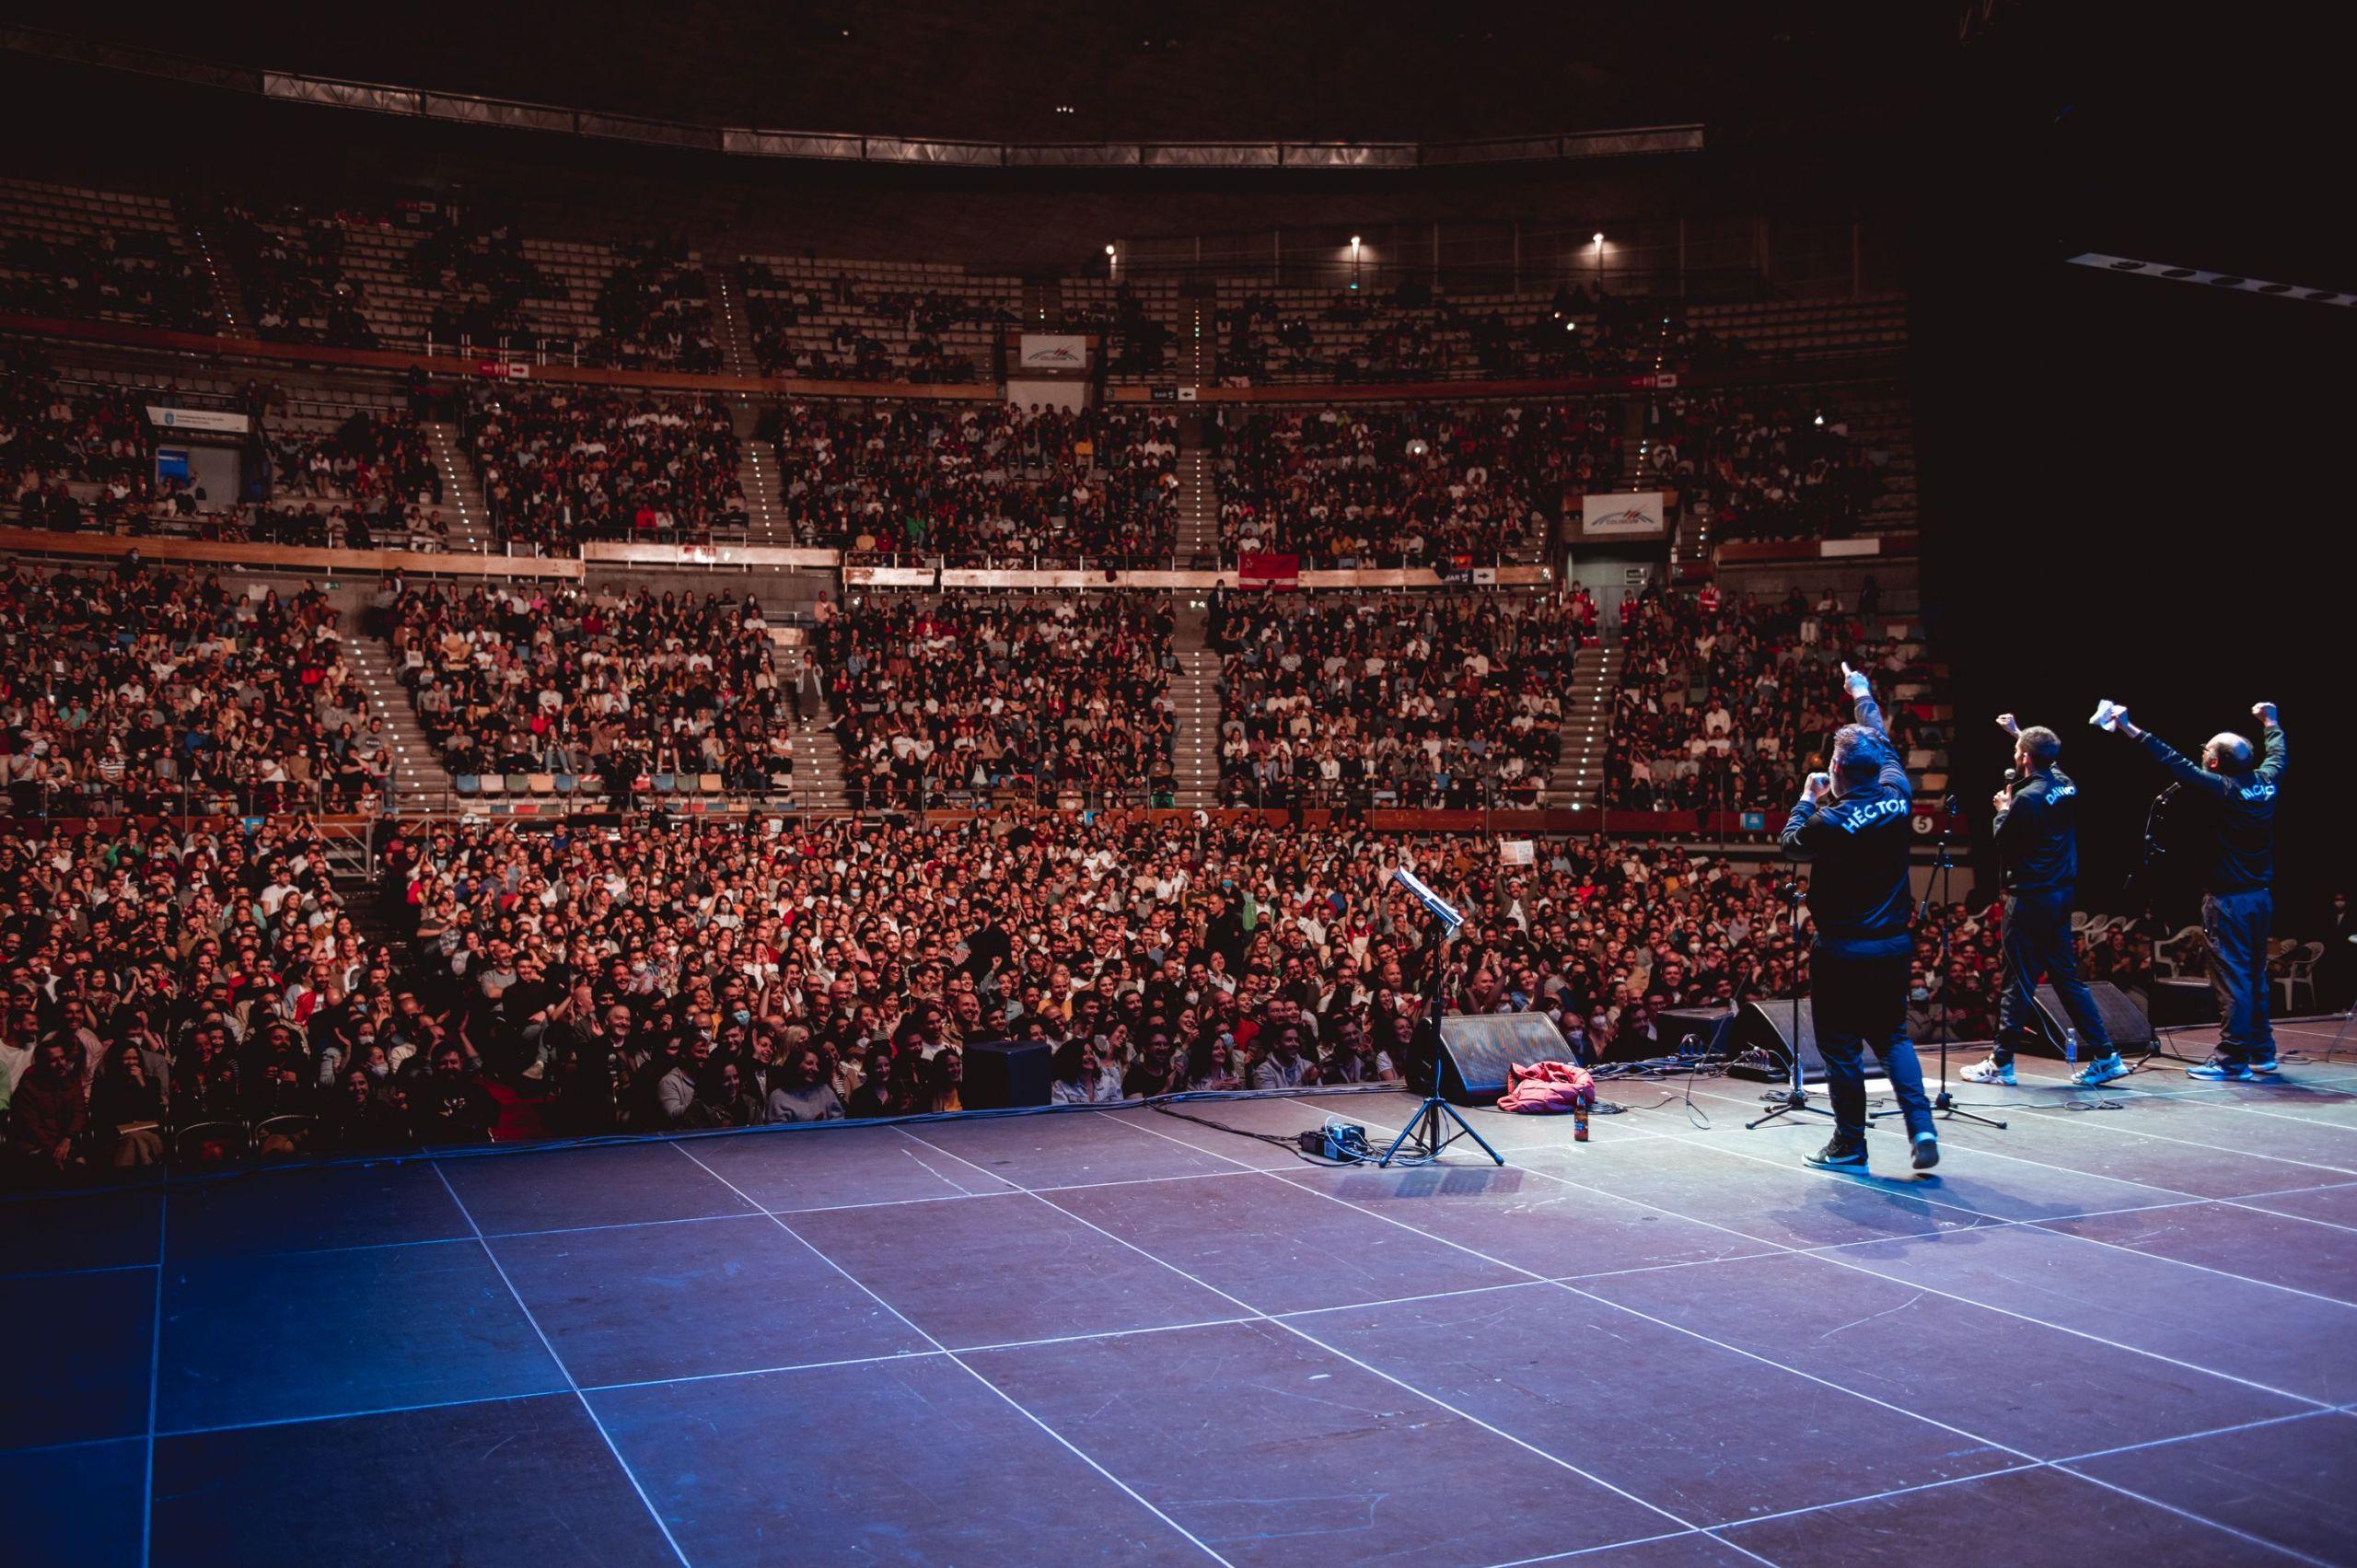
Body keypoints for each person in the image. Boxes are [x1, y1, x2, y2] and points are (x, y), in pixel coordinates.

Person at [1779, 662, 1938, 1172]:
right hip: (1892, 944)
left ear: (1840, 771)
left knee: (1842, 1047)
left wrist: (1807, 798)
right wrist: (1863, 694)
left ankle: (1850, 1145)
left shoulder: (1830, 819)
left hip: (1843, 950)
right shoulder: (1898, 796)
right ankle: (1922, 1126)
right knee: (1893, 1036)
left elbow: (1790, 845)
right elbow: (1884, 742)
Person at [2107, 700, 2286, 1078]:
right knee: (2253, 976)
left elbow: (2173, 761)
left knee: (2232, 980)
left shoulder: (2222, 788)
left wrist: (2128, 727)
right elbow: (2278, 752)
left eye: (2206, 751)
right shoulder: (2266, 781)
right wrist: (2270, 722)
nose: (2201, 755)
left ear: (2217, 763)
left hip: (2229, 902)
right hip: (2260, 897)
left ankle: (2232, 1059)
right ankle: (2262, 1051)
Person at [1962, 714, 2125, 1088]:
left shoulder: (2026, 799)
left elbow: (2004, 840)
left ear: (2023, 759)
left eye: (2019, 750)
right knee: (2068, 979)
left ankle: (2001, 1063)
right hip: (2061, 896)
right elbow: (2045, 757)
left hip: (2030, 897)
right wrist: (2020, 734)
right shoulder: (2066, 784)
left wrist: (2001, 809)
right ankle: (2105, 1055)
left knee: (2016, 981)